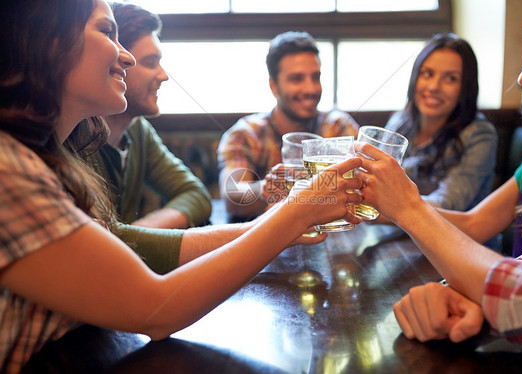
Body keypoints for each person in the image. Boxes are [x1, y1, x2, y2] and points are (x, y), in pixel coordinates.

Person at [0, 1, 364, 372]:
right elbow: (154, 307)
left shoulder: (54, 155)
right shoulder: (10, 169)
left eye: (315, 77)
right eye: (107, 33)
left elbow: (136, 236)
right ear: (50, 42)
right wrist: (293, 212)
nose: (125, 56)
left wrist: (276, 225)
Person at [355, 10, 522, 362]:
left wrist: (403, 207)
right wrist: (464, 295)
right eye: (427, 74)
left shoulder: (477, 132)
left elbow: (463, 212)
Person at [87, 2, 212, 229]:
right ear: (117, 61)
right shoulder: (75, 136)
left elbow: (195, 193)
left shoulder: (137, 129)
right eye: (151, 62)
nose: (163, 76)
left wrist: (139, 232)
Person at [217, 31, 360, 222]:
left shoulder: (338, 127)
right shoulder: (247, 133)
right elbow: (232, 195)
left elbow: (363, 187)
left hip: (333, 237)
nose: (311, 89)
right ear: (274, 86)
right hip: (267, 243)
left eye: (316, 77)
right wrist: (266, 188)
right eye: (297, 79)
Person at [384, 33, 498, 212]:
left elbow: (448, 203)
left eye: (450, 78)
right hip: (396, 232)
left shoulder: (479, 134)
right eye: (427, 74)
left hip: (453, 237)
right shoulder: (400, 121)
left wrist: (385, 206)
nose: (434, 87)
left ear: (465, 87)